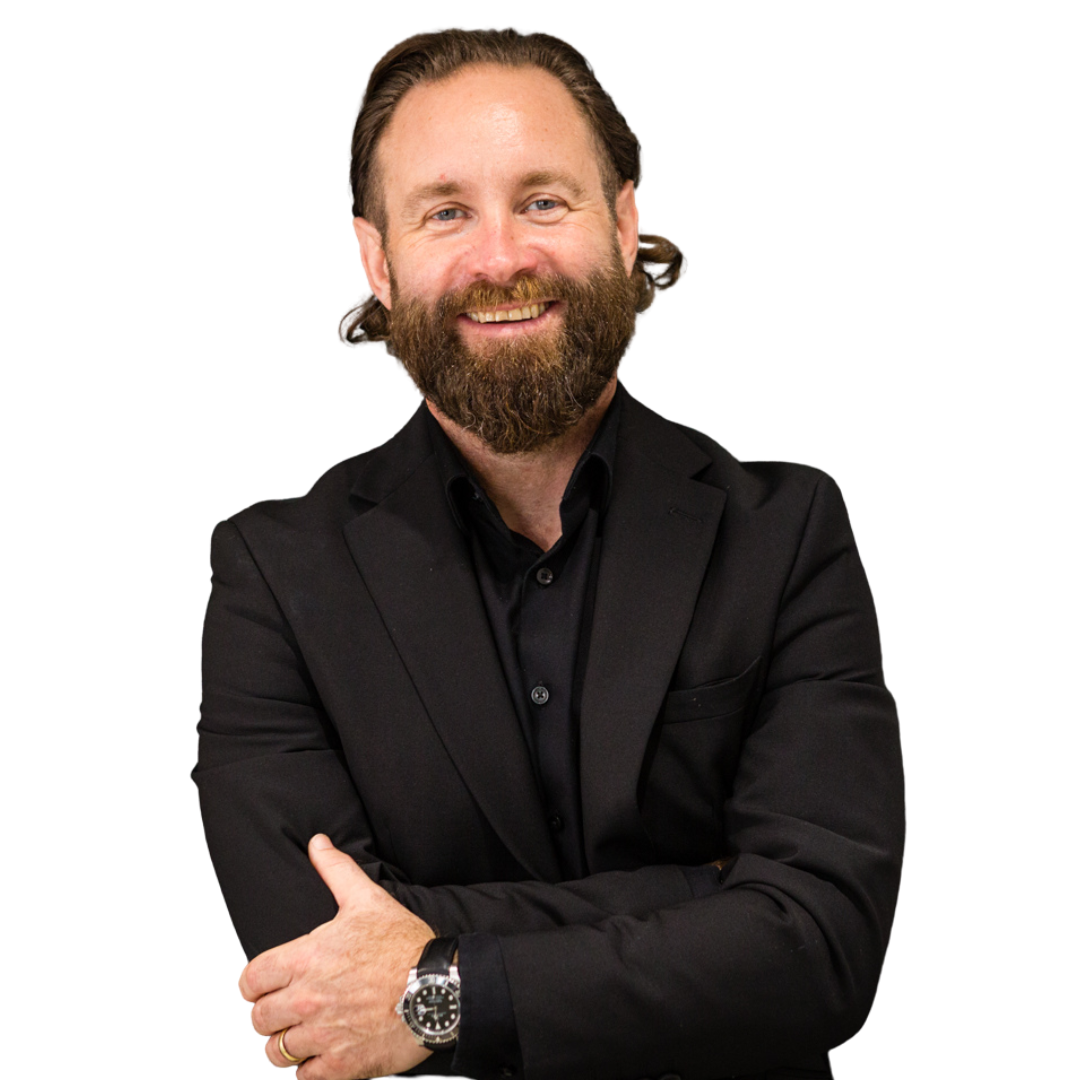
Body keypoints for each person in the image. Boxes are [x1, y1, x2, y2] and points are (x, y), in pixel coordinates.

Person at [192, 25, 905, 1080]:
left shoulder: (791, 530)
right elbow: (308, 966)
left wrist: (442, 990)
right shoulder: (271, 572)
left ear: (623, 223)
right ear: (374, 261)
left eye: (543, 201)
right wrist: (705, 897)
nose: (501, 258)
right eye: (446, 212)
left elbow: (824, 945)